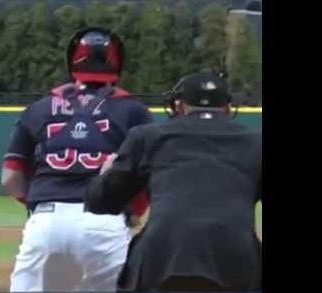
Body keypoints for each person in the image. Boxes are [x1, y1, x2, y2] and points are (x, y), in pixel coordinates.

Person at [1, 27, 152, 291]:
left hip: (46, 221)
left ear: (72, 60)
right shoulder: (134, 111)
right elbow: (146, 177)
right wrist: (135, 212)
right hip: (104, 221)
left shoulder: (38, 108)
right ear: (117, 62)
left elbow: (10, 178)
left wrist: (39, 200)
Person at [85, 71, 262, 291]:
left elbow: (101, 202)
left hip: (163, 256)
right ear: (227, 109)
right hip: (235, 258)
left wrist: (106, 174)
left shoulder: (147, 136)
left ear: (179, 107)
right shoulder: (257, 142)